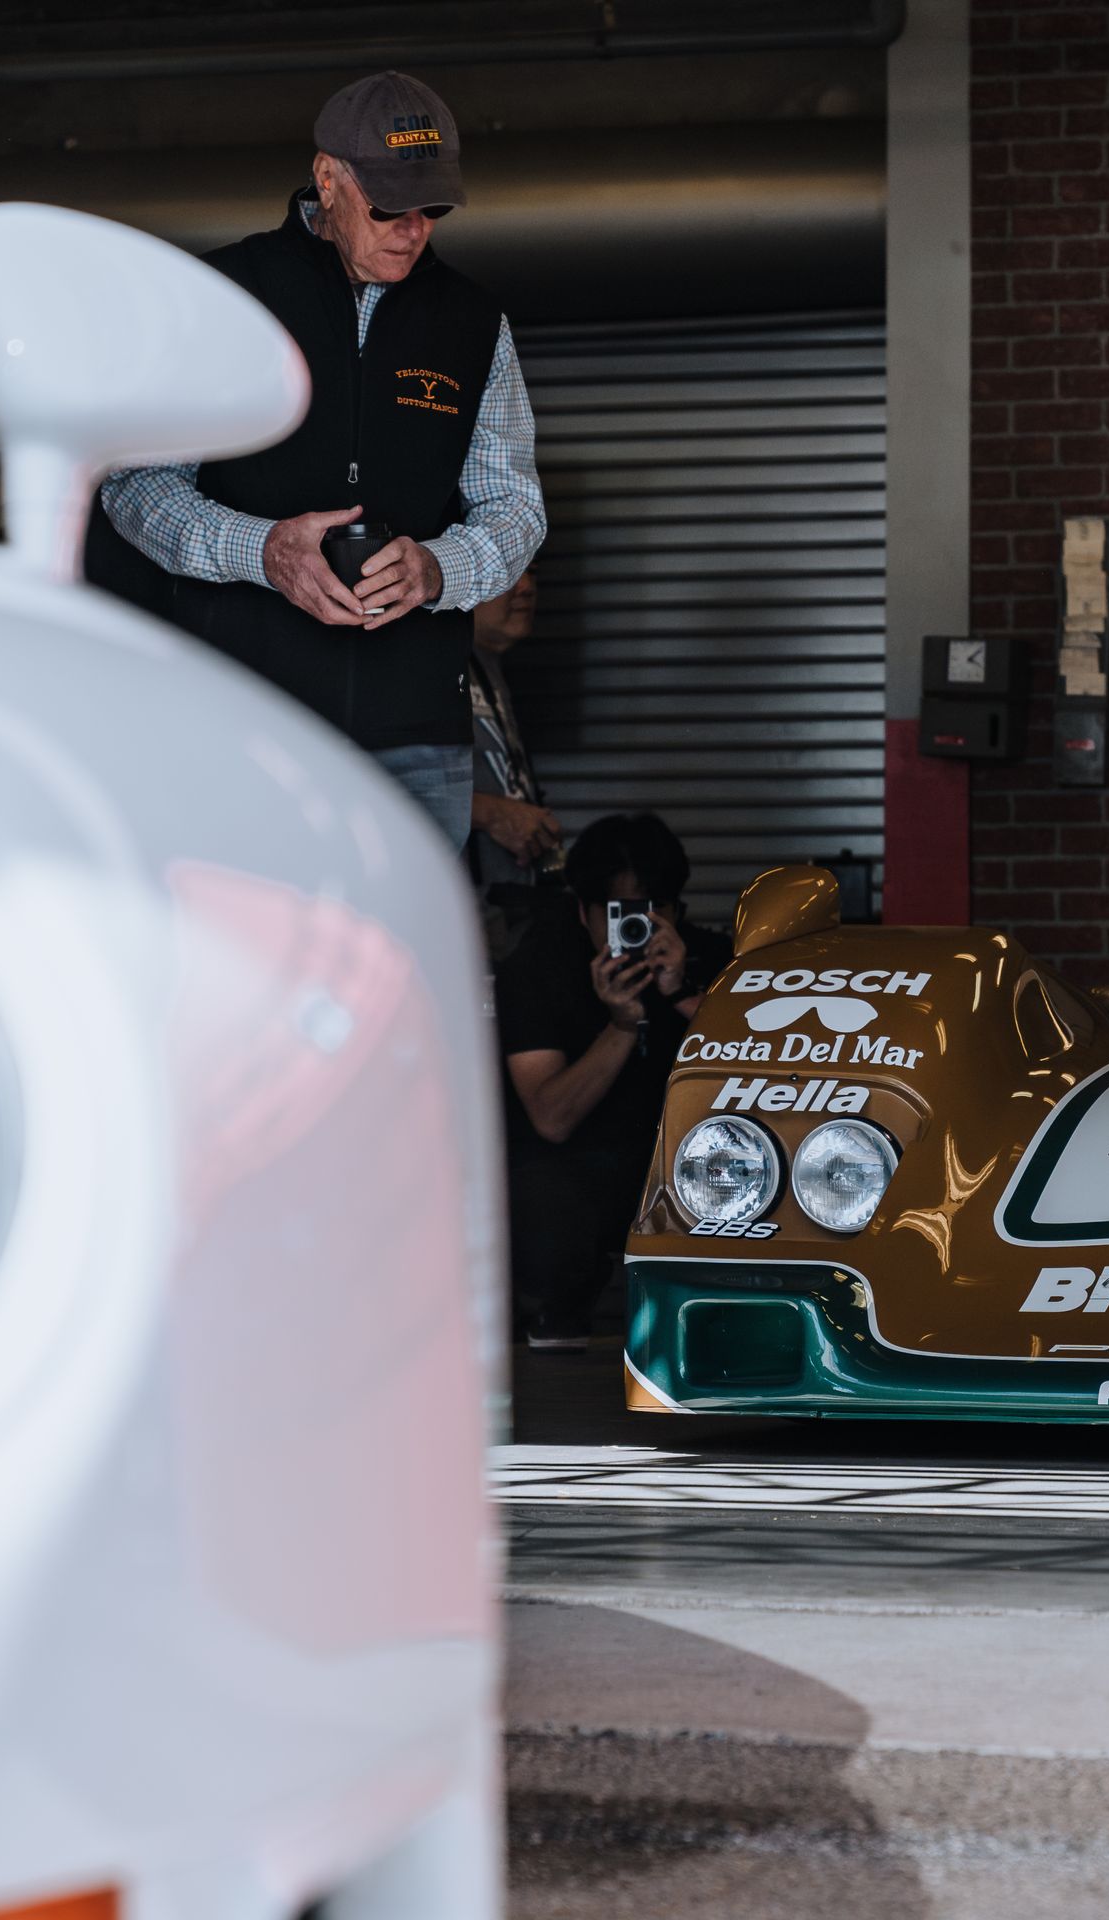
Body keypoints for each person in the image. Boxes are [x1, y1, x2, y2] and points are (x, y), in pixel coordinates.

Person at [97, 71, 546, 854]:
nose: (412, 230)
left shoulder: (475, 325)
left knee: (408, 972)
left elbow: (516, 506)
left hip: (418, 738)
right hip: (243, 724)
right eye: (387, 207)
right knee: (244, 959)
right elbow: (136, 488)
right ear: (327, 179)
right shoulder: (225, 298)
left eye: (432, 208)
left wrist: (440, 569)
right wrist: (264, 552)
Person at [495, 813, 706, 1349]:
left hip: (681, 1159)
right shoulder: (539, 966)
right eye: (622, 914)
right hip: (576, 1164)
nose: (640, 928)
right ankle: (555, 1318)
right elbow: (551, 1118)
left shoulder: (703, 958)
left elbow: (765, 1067)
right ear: (583, 909)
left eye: (657, 910)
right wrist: (622, 1023)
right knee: (543, 1198)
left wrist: (681, 994)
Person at [469, 567, 561, 887]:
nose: (526, 587)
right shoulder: (428, 667)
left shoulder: (489, 665)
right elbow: (386, 784)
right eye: (508, 572)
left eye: (532, 573)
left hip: (505, 910)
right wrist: (491, 813)